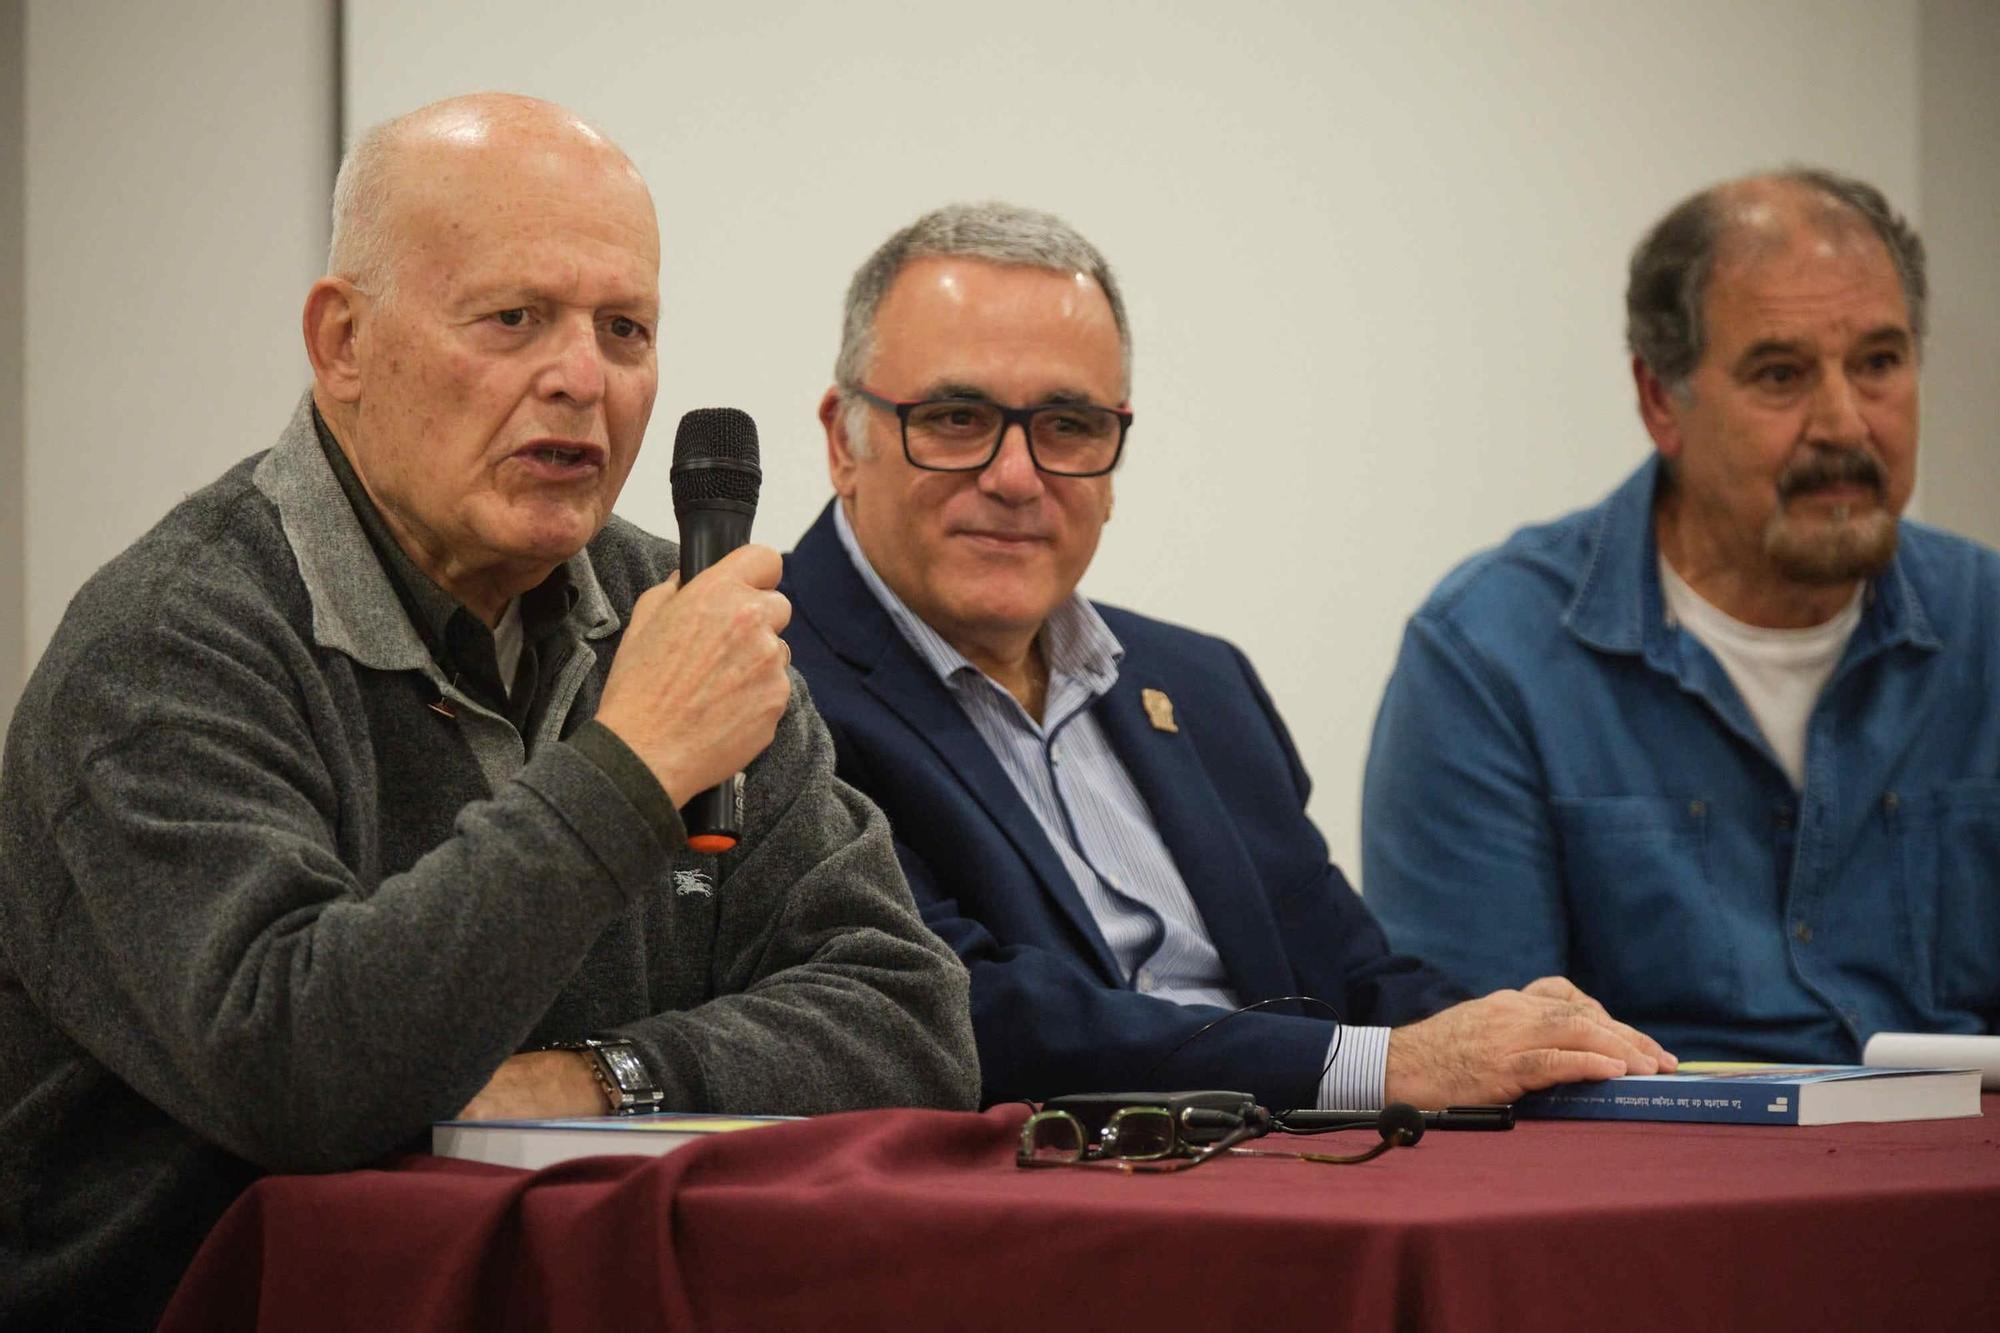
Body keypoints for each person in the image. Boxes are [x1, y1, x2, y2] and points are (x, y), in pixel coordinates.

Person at [0, 94, 976, 1330]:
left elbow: (908, 1016)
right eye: (513, 319)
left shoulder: (666, 610)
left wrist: (603, 1080)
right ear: (342, 341)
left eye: (624, 329)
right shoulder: (170, 644)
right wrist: (630, 766)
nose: (581, 379)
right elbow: (295, 1071)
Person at [779, 201, 1672, 1115]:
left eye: (1070, 427)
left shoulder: (1200, 684)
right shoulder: (767, 679)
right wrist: (1374, 1068)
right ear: (842, 441)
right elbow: (957, 1010)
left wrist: (1523, 1036)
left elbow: (1352, 979)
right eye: (957, 417)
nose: (1016, 477)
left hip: (1311, 1176)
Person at [1363, 168, 2000, 1064]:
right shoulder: (1490, 655)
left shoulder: (1988, 625)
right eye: (1781, 374)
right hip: (1665, 1183)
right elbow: (1480, 1069)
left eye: (1879, 364)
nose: (1845, 423)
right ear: (1662, 400)